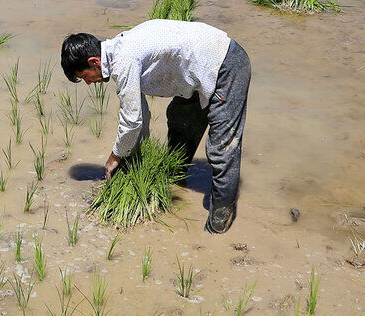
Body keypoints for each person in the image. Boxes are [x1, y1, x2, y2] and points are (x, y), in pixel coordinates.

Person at [61, 19, 251, 234]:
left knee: (222, 148)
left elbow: (132, 121)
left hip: (225, 66)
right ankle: (177, 179)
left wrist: (115, 157)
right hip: (195, 72)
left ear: (94, 62)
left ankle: (219, 223)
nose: (88, 83)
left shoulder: (125, 59)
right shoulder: (119, 53)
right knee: (180, 118)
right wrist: (132, 158)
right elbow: (140, 117)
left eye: (85, 76)